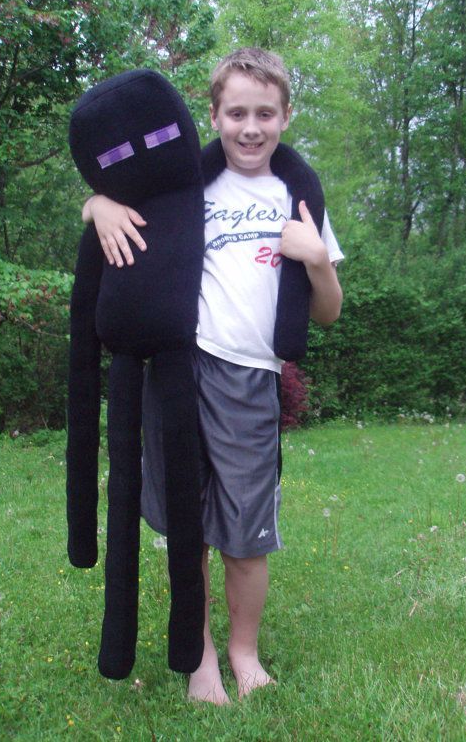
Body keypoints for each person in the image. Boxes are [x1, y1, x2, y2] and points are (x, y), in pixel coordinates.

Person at [81, 48, 344, 704]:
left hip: (251, 381)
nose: (249, 127)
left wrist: (317, 261)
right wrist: (96, 207)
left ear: (286, 115)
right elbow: (115, 196)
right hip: (175, 372)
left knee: (247, 535)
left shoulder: (297, 196)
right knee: (186, 527)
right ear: (213, 116)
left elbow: (329, 314)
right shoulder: (184, 183)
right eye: (235, 113)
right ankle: (199, 659)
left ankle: (243, 651)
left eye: (264, 113)